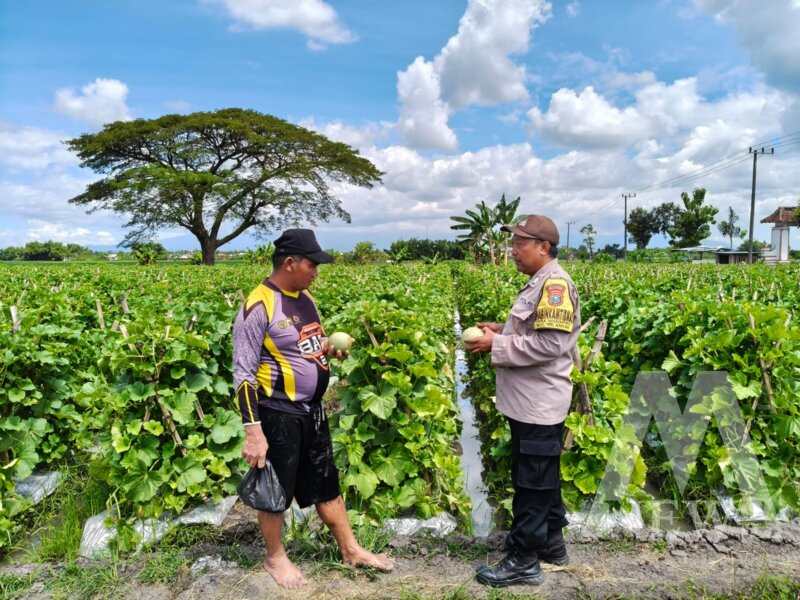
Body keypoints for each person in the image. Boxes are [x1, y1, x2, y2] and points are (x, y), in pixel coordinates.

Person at [233, 228, 393, 589]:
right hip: (277, 412)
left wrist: (326, 349)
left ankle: (350, 549)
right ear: (289, 263)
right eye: (312, 263)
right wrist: (253, 430)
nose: (316, 271)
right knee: (275, 487)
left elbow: (306, 344)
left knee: (325, 479)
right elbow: (243, 373)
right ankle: (275, 557)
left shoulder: (305, 297)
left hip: (312, 411)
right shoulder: (258, 305)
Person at [466, 215, 580, 588]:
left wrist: (495, 344)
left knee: (531, 482)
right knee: (540, 475)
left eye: (519, 244)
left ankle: (524, 560)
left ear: (543, 247)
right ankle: (551, 544)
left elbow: (551, 345)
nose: (512, 251)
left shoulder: (554, 285)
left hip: (539, 403)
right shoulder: (540, 283)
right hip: (529, 402)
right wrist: (505, 330)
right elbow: (538, 332)